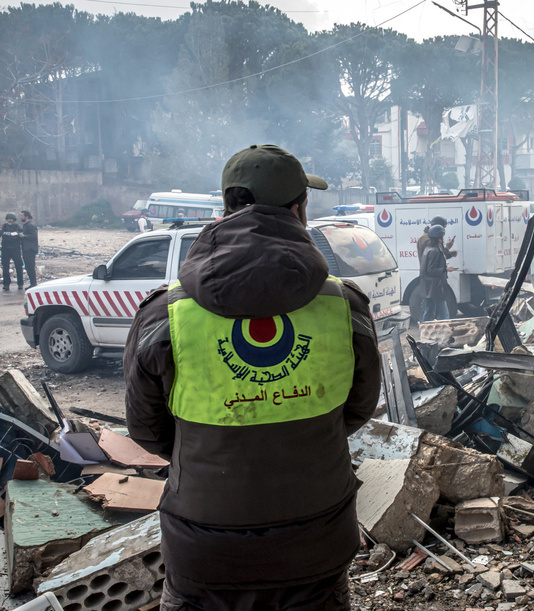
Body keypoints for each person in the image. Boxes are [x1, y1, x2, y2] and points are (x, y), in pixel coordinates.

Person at [124, 144, 381, 610]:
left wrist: (211, 446)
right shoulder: (345, 305)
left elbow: (146, 428)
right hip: (316, 542)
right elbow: (358, 409)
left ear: (227, 207)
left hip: (203, 549)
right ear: (299, 209)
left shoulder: (166, 313)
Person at [419, 224, 455, 321]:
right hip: (435, 288)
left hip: (429, 288)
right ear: (439, 238)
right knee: (444, 315)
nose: (443, 238)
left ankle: (425, 334)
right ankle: (444, 334)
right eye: (442, 236)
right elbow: (431, 270)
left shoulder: (428, 248)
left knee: (429, 313)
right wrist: (445, 269)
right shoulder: (434, 251)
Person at [1, 213, 23, 291]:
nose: (10, 220)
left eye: (11, 219)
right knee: (5, 268)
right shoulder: (4, 226)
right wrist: (11, 234)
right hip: (5, 250)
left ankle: (20, 283)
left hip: (15, 249)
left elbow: (19, 234)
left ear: (14, 219)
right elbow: (2, 234)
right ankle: (6, 284)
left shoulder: (18, 226)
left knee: (19, 267)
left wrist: (10, 234)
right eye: (8, 219)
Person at [19, 210, 37, 288]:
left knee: (30, 266)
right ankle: (32, 283)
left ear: (26, 217)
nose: (21, 217)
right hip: (26, 249)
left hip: (30, 249)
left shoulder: (30, 225)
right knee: (28, 266)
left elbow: (34, 236)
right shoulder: (25, 225)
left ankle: (33, 284)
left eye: (22, 216)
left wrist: (24, 236)